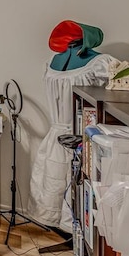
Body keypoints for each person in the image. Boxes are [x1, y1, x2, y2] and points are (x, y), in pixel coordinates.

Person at [28, 20, 118, 233]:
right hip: (58, 131)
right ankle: (61, 226)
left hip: (84, 133)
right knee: (55, 181)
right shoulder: (51, 62)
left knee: (77, 184)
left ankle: (77, 232)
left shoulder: (99, 62)